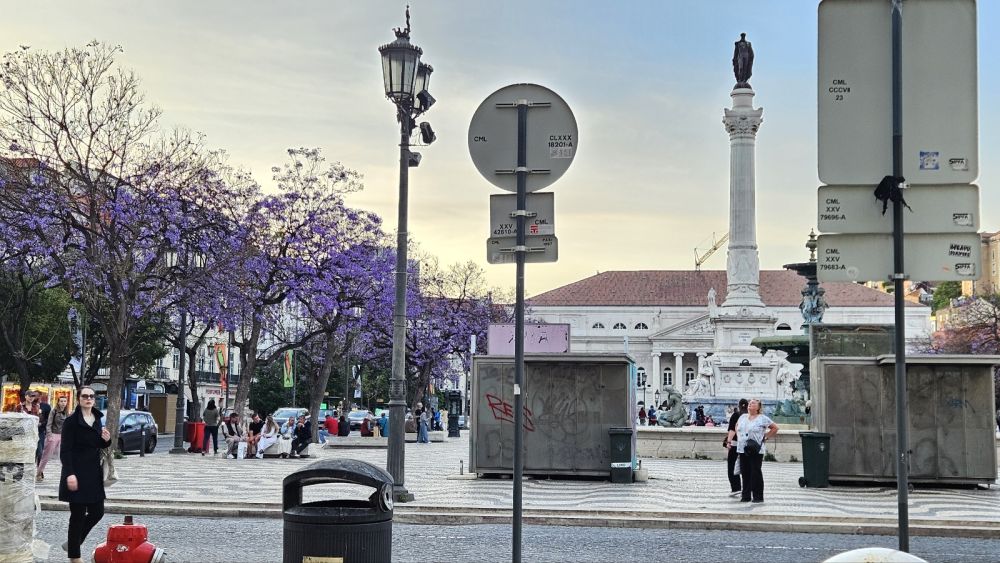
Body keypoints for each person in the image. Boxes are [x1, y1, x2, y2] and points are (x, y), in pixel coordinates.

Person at [59, 386, 111, 563]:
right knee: (78, 516)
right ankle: (75, 556)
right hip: (76, 472)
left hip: (93, 473)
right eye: (85, 396)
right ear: (79, 399)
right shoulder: (71, 422)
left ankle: (73, 543)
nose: (88, 399)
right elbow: (65, 450)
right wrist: (70, 473)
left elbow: (97, 444)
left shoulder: (97, 418)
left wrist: (106, 440)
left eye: (91, 396)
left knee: (98, 512)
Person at [735, 399, 779, 503]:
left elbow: (775, 428)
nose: (750, 404)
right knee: (745, 472)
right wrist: (739, 436)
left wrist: (766, 437)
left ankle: (758, 496)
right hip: (742, 448)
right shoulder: (743, 417)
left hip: (756, 449)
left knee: (755, 472)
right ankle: (745, 495)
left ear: (758, 407)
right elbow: (737, 426)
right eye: (750, 402)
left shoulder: (762, 418)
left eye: (753, 403)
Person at [38, 395, 69, 482]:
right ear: (58, 402)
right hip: (53, 434)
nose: (63, 403)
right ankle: (39, 472)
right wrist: (49, 435)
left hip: (63, 436)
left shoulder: (67, 412)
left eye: (65, 401)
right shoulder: (54, 411)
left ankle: (67, 474)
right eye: (61, 401)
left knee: (65, 456)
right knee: (46, 456)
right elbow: (49, 424)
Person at [724, 398, 749, 497]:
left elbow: (732, 430)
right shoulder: (750, 416)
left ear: (739, 406)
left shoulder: (736, 415)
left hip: (735, 444)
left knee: (732, 466)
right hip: (747, 445)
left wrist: (728, 442)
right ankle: (747, 488)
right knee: (746, 467)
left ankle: (736, 487)